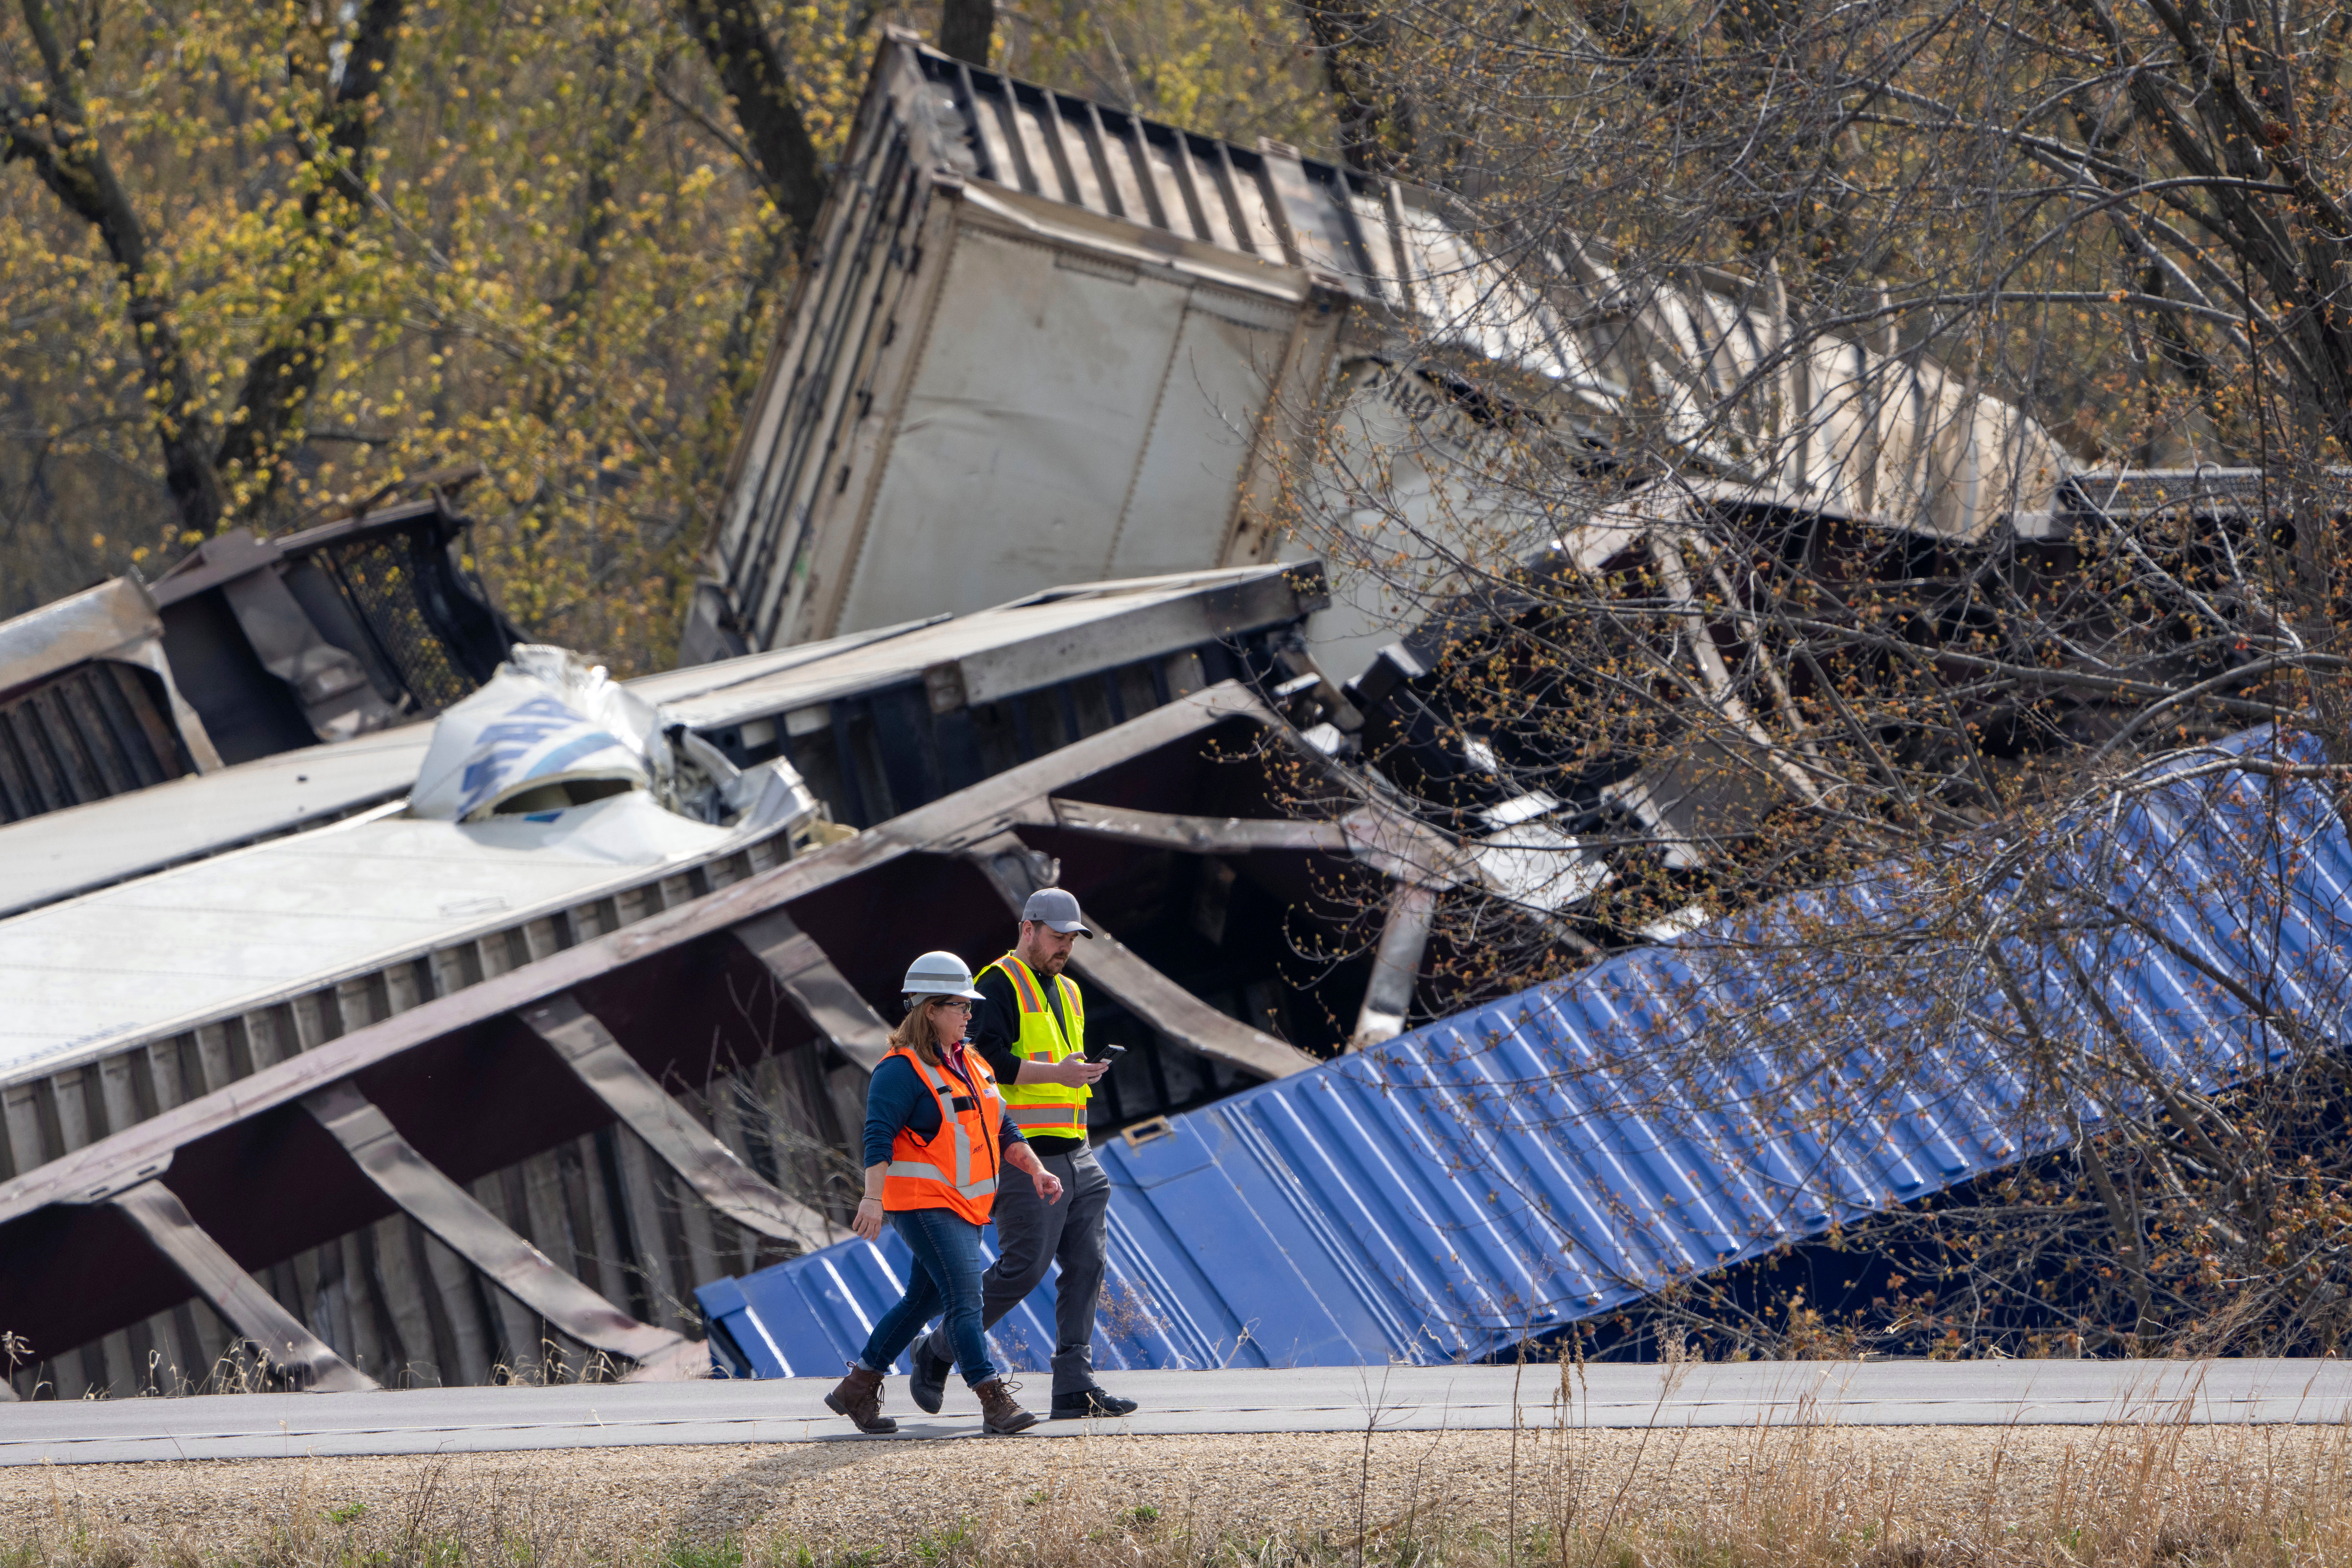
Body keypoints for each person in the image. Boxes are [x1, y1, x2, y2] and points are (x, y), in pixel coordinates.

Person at [907, 889, 1140, 1420]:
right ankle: (936, 1349)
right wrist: (1059, 1073)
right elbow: (980, 1061)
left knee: (1087, 1264)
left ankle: (1074, 1387)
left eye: (1072, 940)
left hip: (1078, 1150)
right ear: (1028, 929)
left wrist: (1079, 1073)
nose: (1065, 948)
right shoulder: (995, 984)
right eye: (1058, 937)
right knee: (1023, 1268)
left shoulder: (1070, 991)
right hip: (1025, 1155)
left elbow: (1055, 1066)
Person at [823, 950, 1065, 1436]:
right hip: (922, 1205)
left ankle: (857, 1387)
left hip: (967, 1206)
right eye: (961, 1005)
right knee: (966, 1298)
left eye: (970, 1006)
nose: (970, 1014)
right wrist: (872, 1199)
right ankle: (993, 1400)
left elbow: (1002, 1127)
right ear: (931, 1010)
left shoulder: (971, 1062)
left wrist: (1036, 1169)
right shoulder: (899, 1070)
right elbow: (877, 1136)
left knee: (921, 1302)